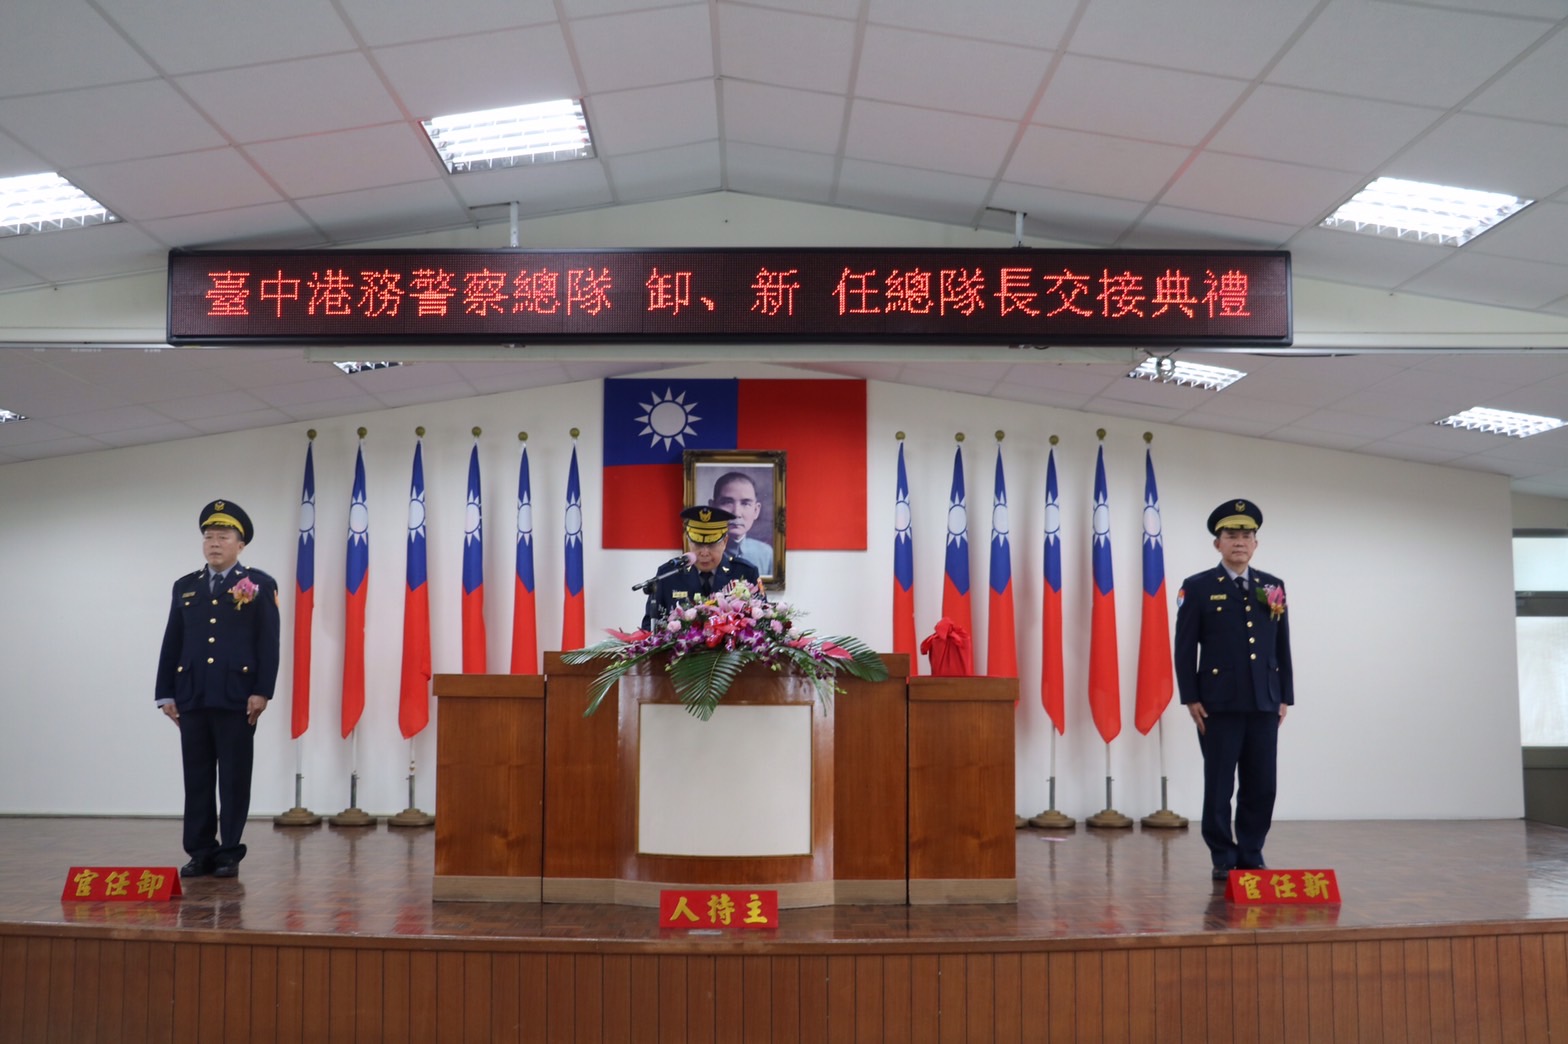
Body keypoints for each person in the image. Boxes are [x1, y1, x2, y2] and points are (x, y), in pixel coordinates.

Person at [155, 500, 280, 879]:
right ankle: (200, 851)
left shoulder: (258, 585)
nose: (214, 543)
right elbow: (172, 641)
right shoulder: (185, 586)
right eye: (209, 536)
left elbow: (268, 643)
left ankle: (229, 851)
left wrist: (262, 691)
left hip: (236, 696)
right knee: (196, 777)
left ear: (240, 544)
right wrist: (165, 693)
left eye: (223, 536)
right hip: (192, 694)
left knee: (234, 777)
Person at [1174, 499, 1293, 881]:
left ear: (1255, 543)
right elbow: (1184, 647)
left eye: (1246, 535)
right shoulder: (1198, 587)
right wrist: (1190, 697)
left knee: (1262, 785)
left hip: (1264, 702)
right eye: (1231, 535)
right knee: (1220, 785)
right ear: (1218, 543)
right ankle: (1223, 856)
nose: (1239, 542)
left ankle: (1251, 854)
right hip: (1218, 704)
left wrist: (1284, 696)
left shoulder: (1272, 586)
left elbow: (1281, 645)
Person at [641, 505, 761, 629]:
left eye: (711, 545)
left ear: (725, 542)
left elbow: (761, 624)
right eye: (698, 544)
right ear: (688, 541)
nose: (704, 553)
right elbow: (649, 627)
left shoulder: (746, 572)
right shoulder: (668, 575)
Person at [709, 471, 774, 575]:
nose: (736, 513)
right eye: (727, 502)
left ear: (756, 511)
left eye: (745, 504)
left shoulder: (766, 554)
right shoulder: (701, 553)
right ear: (712, 507)